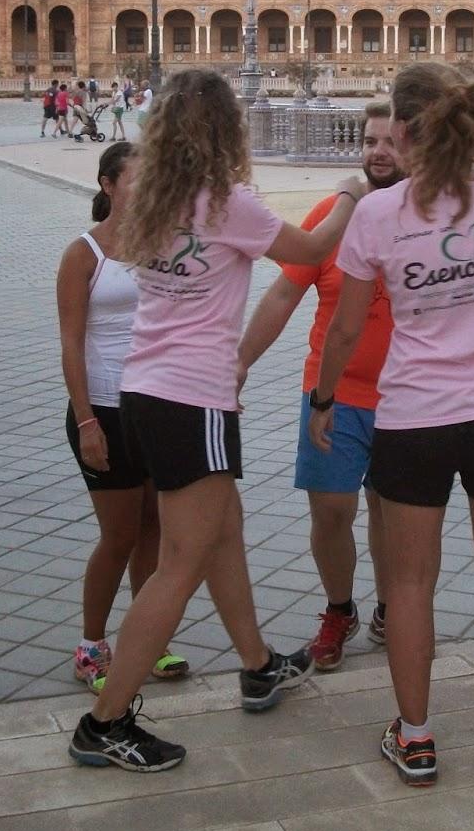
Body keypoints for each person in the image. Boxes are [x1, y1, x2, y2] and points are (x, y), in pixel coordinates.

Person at [67, 68, 365, 773]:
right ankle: (104, 720)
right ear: (227, 128)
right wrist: (350, 194)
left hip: (144, 390)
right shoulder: (227, 204)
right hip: (192, 397)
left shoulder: (149, 198)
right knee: (180, 564)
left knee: (222, 533)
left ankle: (258, 664)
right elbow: (314, 249)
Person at [308, 64, 474, 804]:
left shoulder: (378, 215)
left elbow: (349, 326)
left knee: (409, 586)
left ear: (407, 132)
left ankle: (415, 737)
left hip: (413, 418)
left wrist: (324, 398)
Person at [238, 102, 402, 669]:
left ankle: (389, 606)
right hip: (335, 395)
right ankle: (340, 608)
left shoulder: (431, 212)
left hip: (411, 398)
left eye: (391, 140)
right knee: (331, 511)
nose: (378, 151)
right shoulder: (333, 213)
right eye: (369, 139)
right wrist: (241, 362)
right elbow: (284, 294)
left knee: (392, 510)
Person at [59, 140, 190, 691]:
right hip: (104, 412)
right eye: (135, 179)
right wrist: (87, 422)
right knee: (119, 534)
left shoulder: (165, 247)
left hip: (155, 407)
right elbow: (70, 343)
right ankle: (91, 645)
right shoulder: (83, 253)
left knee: (155, 528)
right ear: (109, 185)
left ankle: (147, 636)